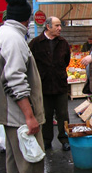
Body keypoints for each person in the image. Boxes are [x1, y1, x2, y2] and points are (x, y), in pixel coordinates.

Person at [0, 0, 58, 173]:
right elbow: (15, 80)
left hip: (9, 115)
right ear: (27, 19)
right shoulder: (15, 39)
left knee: (15, 163)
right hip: (19, 115)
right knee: (31, 164)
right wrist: (30, 116)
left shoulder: (2, 34)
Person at [28, 16, 71, 151]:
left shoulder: (63, 42)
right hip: (43, 86)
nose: (60, 28)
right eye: (57, 25)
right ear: (48, 26)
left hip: (60, 85)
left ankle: (64, 139)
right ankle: (46, 140)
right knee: (45, 114)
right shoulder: (35, 43)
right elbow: (30, 63)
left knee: (63, 114)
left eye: (60, 25)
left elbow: (66, 61)